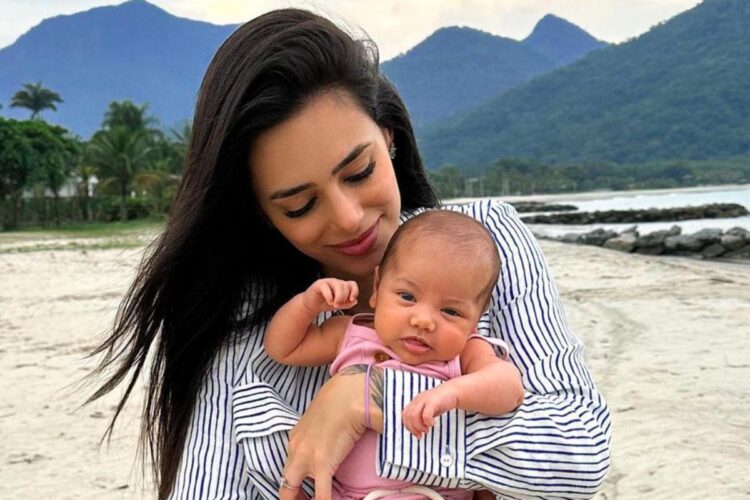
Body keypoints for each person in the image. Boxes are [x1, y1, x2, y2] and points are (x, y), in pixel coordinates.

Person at [90, 8, 611, 500]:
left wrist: (370, 398)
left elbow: (581, 449)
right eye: (300, 204)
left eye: (359, 173)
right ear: (259, 211)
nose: (346, 217)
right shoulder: (247, 322)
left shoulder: (486, 238)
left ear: (388, 138)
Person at [264, 210, 525, 499]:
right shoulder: (352, 333)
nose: (423, 320)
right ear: (377, 288)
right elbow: (283, 348)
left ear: (475, 321)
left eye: (451, 311)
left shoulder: (465, 352)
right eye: (407, 297)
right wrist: (307, 305)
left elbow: (509, 387)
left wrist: (455, 393)